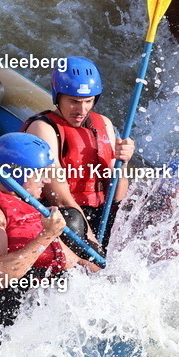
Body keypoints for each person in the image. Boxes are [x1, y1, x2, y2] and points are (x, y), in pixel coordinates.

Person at [0, 133, 100, 325]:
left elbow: (74, 261)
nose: (46, 181)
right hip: (1, 303)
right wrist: (47, 235)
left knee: (74, 223)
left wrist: (104, 279)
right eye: (40, 173)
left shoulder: (28, 204)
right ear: (17, 173)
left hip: (45, 289)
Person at [23, 57, 135, 241]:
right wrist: (91, 243)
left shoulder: (104, 124)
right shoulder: (43, 128)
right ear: (57, 96)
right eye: (74, 101)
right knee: (72, 220)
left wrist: (123, 165)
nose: (82, 110)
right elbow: (59, 198)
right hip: (64, 215)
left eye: (88, 101)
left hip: (102, 213)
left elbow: (118, 198)